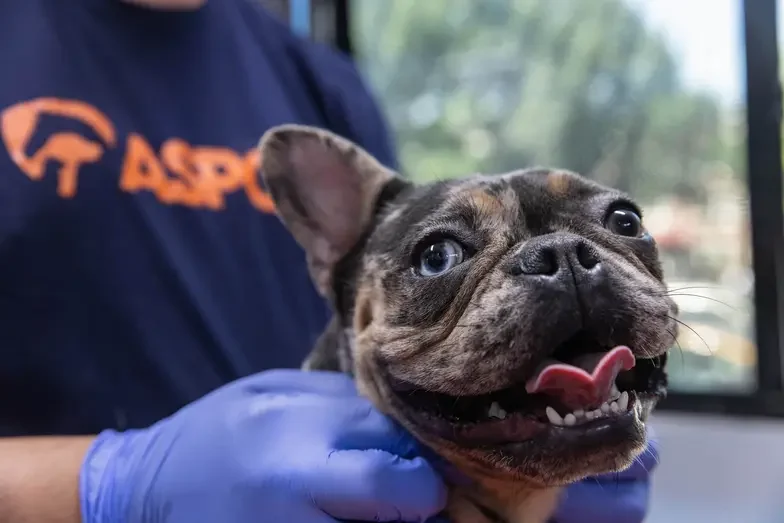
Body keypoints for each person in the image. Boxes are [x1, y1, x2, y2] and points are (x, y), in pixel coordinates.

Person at [0, 0, 659, 521]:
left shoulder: (317, 81)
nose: (564, 263)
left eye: (620, 225)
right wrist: (111, 489)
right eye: (440, 255)